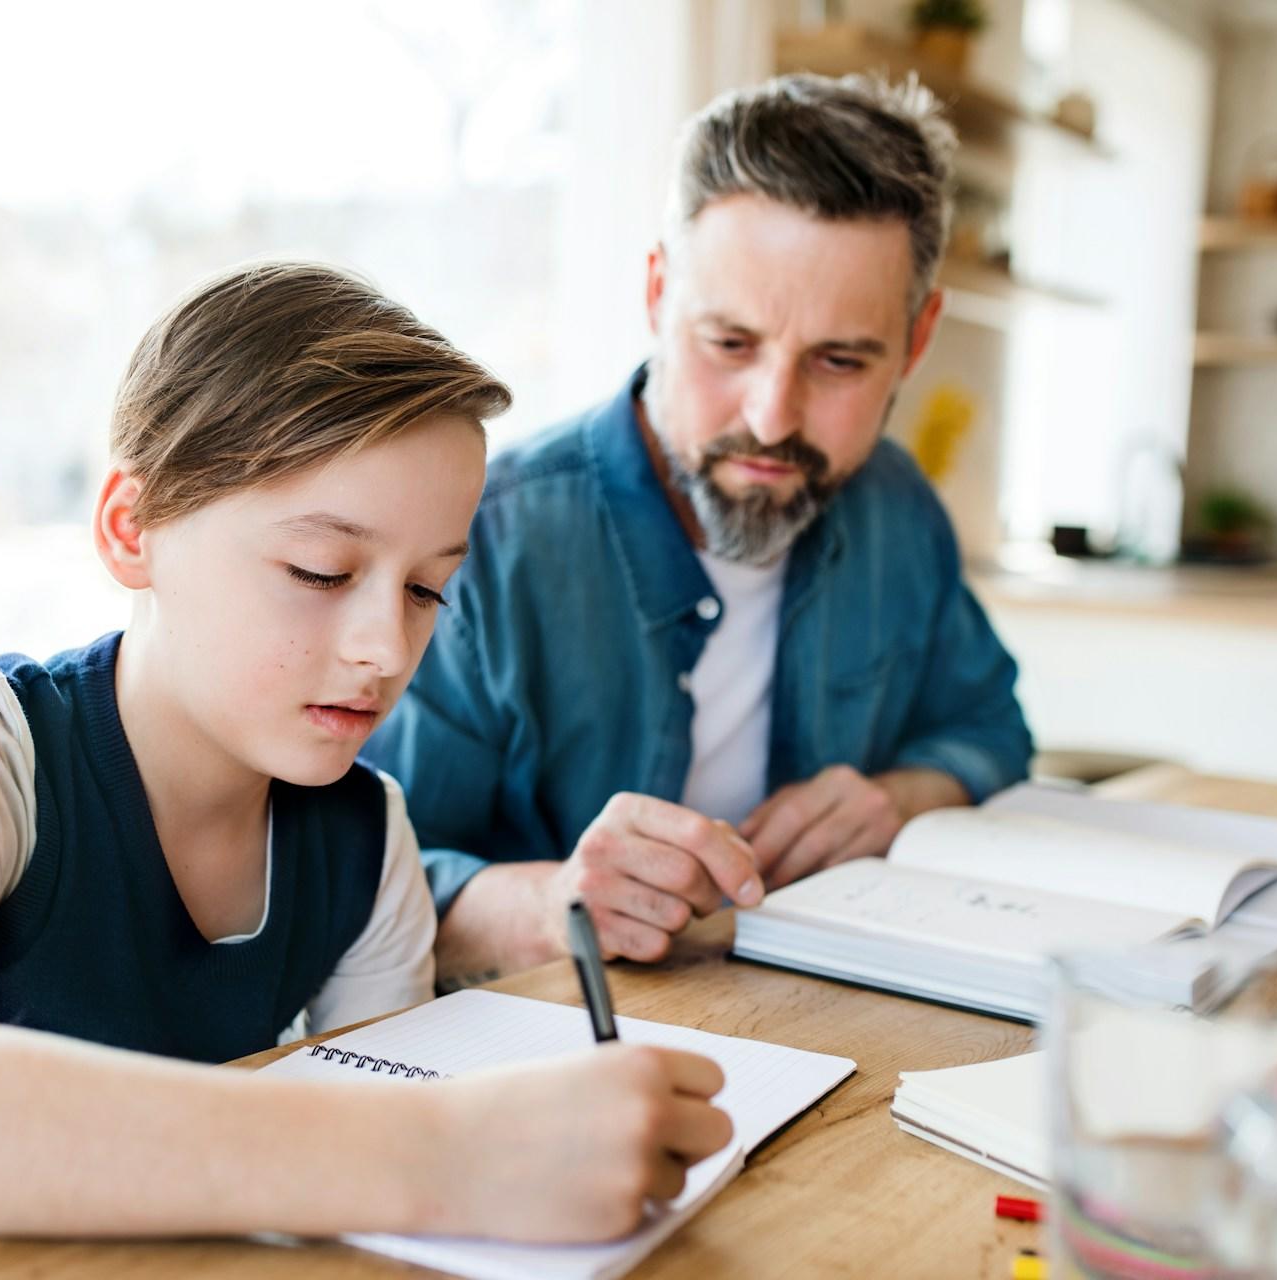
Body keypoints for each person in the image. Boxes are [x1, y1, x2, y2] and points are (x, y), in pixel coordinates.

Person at [0, 262, 733, 1244]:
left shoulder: (365, 834)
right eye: (321, 570)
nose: (385, 650)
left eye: (426, 590)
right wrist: (441, 1149)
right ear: (131, 529)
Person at [365, 74, 1034, 983]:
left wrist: (902, 797)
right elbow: (346, 871)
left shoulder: (896, 507)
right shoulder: (482, 541)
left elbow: (989, 726)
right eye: (730, 344)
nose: (769, 418)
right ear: (656, 294)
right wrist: (552, 904)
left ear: (915, 341)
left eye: (839, 361)